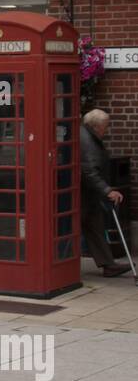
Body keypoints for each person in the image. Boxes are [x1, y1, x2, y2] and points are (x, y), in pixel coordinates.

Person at [80, 109, 129, 277]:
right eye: (105, 126)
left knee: (95, 227)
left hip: (88, 193)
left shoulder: (88, 136)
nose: (106, 130)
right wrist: (108, 191)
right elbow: (88, 171)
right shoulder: (87, 141)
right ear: (96, 126)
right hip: (81, 194)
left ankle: (109, 265)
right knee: (76, 227)